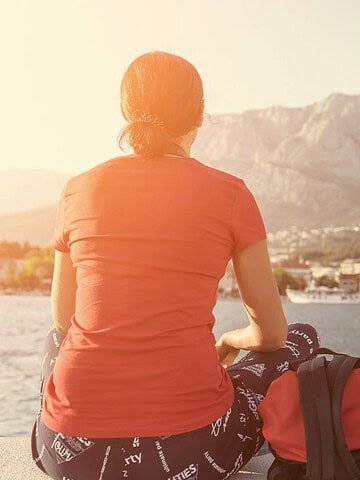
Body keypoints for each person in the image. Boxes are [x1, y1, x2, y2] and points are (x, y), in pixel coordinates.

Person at [31, 51, 319, 480]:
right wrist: (229, 340)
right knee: (300, 337)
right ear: (199, 115)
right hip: (194, 449)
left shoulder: (78, 190)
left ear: (126, 112)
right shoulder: (231, 194)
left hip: (69, 453)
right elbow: (272, 333)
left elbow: (64, 320)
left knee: (57, 341)